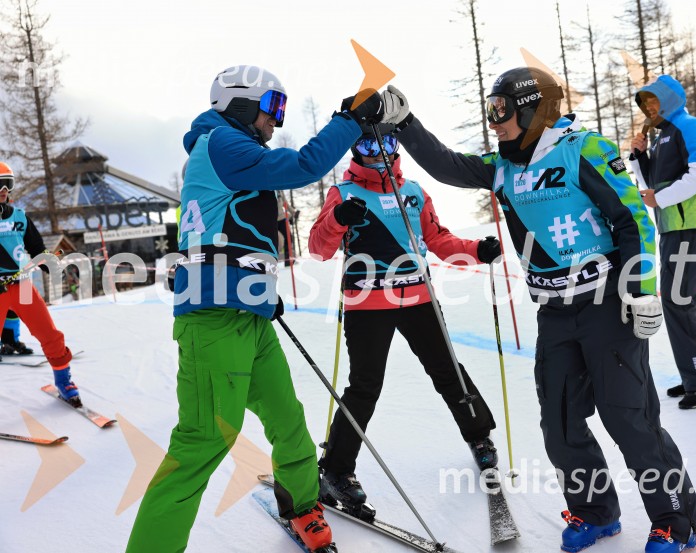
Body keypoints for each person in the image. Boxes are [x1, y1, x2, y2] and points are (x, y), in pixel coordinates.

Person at [381, 68, 696, 553]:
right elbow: (447, 165)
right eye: (491, 110)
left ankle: (677, 523)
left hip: (606, 307)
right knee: (560, 422)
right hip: (554, 312)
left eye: (502, 110)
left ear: (533, 107)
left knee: (630, 419)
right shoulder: (504, 167)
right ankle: (596, 513)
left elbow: (633, 216)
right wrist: (404, 124)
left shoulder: (582, 148)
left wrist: (641, 288)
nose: (496, 122)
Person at [125, 65, 390, 553]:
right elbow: (303, 166)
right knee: (202, 444)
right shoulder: (221, 143)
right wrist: (349, 120)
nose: (277, 121)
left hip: (246, 313)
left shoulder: (232, 152)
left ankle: (303, 506)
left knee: (289, 423)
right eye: (274, 108)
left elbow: (233, 235)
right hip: (214, 323)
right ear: (242, 103)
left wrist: (258, 289)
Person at [308, 122, 502, 517]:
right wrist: (339, 218)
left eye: (387, 140)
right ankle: (335, 470)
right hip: (367, 301)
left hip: (418, 297)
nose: (378, 150)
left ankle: (479, 436)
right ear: (355, 147)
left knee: (448, 370)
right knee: (364, 386)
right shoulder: (343, 192)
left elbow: (438, 240)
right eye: (367, 142)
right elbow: (318, 248)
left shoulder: (413, 191)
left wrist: (477, 250)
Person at [630, 75, 696, 410]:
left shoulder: (689, 126)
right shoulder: (662, 136)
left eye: (654, 100)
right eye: (645, 103)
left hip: (690, 224)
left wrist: (662, 198)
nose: (649, 107)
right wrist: (639, 157)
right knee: (674, 301)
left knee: (679, 300)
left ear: (670, 99)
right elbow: (650, 186)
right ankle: (695, 375)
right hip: (672, 226)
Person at [0, 162, 77, 401]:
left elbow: (36, 248)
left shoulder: (20, 217)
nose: (3, 189)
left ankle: (64, 382)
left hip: (21, 286)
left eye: (8, 183)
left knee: (50, 334)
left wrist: (50, 265)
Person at [276, 190, 298, 266]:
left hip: (282, 218)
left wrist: (293, 212)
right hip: (271, 219)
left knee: (289, 238)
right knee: (273, 241)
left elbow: (284, 202)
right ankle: (271, 262)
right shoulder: (267, 187)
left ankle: (289, 260)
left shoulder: (279, 189)